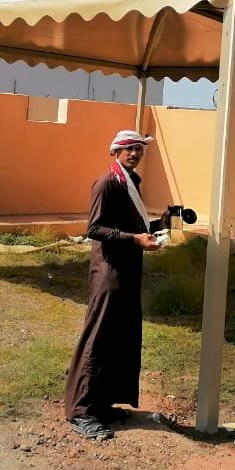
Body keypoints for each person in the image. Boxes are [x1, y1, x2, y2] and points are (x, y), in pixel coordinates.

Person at [64, 129, 162, 440]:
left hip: (128, 269)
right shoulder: (107, 182)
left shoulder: (130, 182)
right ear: (115, 152)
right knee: (98, 337)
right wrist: (134, 239)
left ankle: (102, 405)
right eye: (128, 149)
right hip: (109, 271)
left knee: (120, 336)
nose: (134, 154)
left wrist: (159, 226)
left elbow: (129, 224)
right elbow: (94, 228)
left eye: (138, 149)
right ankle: (81, 411)